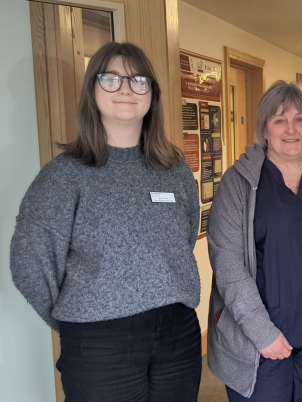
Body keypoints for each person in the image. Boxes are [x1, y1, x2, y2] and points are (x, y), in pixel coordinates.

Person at [10, 42, 202, 401]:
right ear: (92, 90)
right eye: (111, 79)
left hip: (178, 335)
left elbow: (182, 239)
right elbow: (29, 262)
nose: (126, 89)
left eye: (138, 80)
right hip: (99, 341)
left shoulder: (174, 170)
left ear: (152, 94)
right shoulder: (64, 175)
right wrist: (79, 314)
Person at [206, 80, 302, 401]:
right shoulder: (238, 183)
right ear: (264, 129)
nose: (290, 129)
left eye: (300, 119)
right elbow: (228, 264)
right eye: (279, 120)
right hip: (259, 340)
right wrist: (262, 334)